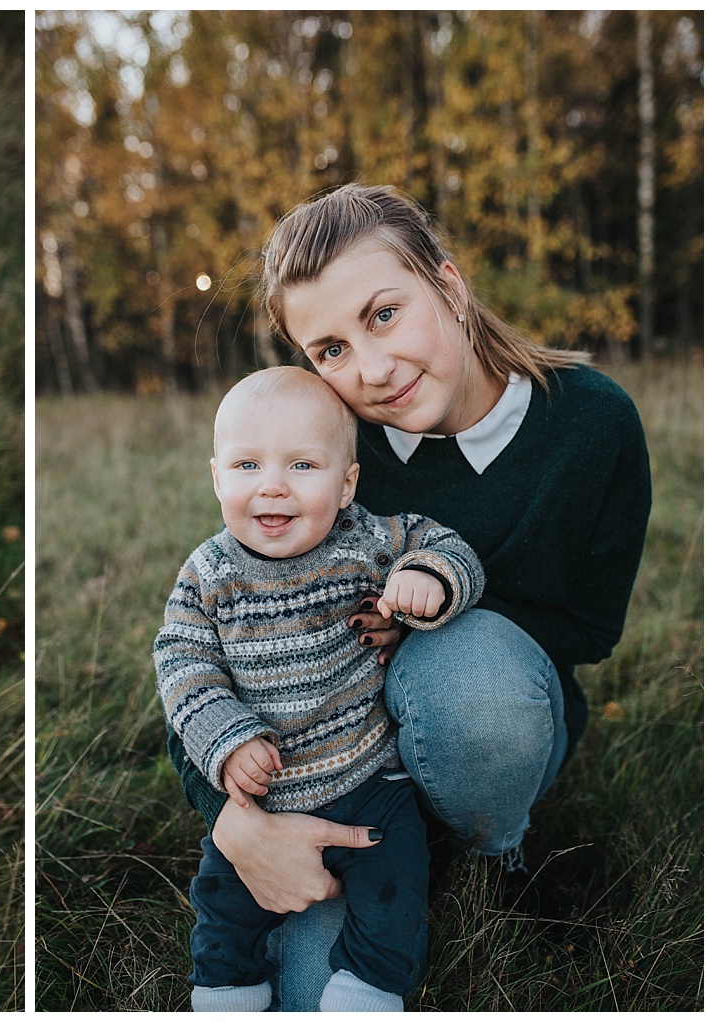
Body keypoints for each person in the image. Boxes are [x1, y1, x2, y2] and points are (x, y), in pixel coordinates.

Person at [166, 184, 652, 1010]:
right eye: (330, 349)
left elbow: (589, 629)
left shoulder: (594, 426)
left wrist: (434, 617)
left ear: (451, 288)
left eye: (384, 314)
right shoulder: (325, 454)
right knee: (309, 991)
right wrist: (233, 817)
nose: (373, 370)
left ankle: (494, 849)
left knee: (468, 677)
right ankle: (400, 860)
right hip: (331, 770)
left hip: (489, 717)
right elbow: (211, 644)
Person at [158, 366, 485, 1012]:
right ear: (217, 476)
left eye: (302, 466)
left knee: (395, 882)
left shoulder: (364, 538)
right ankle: (226, 990)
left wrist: (430, 573)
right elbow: (180, 661)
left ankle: (369, 984)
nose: (272, 487)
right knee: (224, 899)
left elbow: (445, 543)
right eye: (247, 466)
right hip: (265, 799)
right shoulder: (209, 574)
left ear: (346, 483)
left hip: (368, 782)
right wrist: (225, 741)